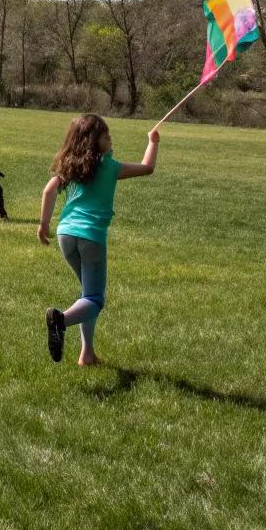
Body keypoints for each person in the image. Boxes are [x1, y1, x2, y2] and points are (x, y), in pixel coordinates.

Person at [37, 114, 159, 366]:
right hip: (91, 237)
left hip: (65, 234)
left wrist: (43, 225)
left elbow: (49, 190)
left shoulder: (72, 166)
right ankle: (60, 320)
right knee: (94, 299)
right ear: (93, 141)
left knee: (86, 294)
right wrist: (153, 141)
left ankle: (87, 354)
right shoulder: (110, 167)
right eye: (105, 135)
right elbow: (147, 167)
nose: (110, 138)